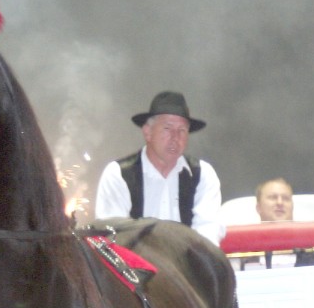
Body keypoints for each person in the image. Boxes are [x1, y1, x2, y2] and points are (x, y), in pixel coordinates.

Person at [94, 91, 224, 245]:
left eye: (182, 130)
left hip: (188, 266)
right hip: (134, 267)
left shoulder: (203, 175)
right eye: (167, 128)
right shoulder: (118, 174)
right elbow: (113, 235)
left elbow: (207, 232)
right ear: (148, 132)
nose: (175, 137)